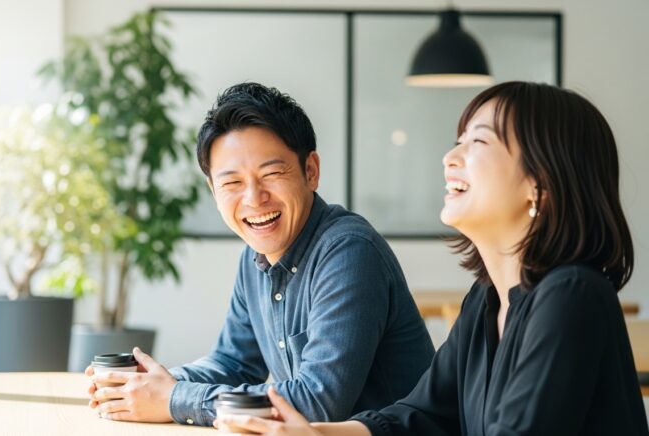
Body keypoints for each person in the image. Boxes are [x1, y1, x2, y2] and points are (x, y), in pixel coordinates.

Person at [216, 81, 649, 435]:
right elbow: (424, 415)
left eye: (478, 142)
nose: (450, 158)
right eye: (457, 141)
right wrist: (314, 434)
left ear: (540, 185)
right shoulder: (486, 301)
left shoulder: (572, 295)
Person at [85, 82, 435, 426]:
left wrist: (173, 398)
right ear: (213, 189)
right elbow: (232, 364)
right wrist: (146, 383)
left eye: (271, 174)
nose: (254, 199)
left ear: (310, 171)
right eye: (232, 183)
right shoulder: (255, 257)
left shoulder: (349, 252)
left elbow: (318, 401)